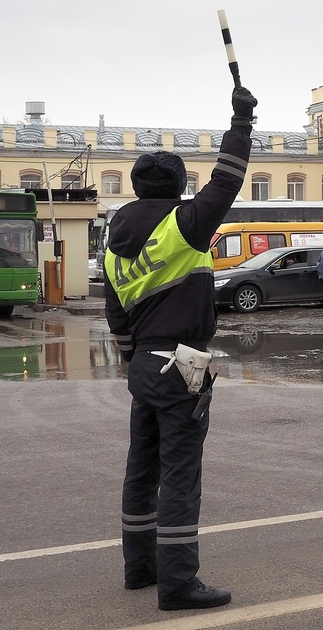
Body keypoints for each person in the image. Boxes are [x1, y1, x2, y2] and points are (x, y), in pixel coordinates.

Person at [103, 85, 256, 612]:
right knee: (180, 476)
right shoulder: (184, 224)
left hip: (143, 364)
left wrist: (131, 361)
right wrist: (242, 120)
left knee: (141, 470)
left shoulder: (113, 240)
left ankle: (139, 568)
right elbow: (228, 179)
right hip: (182, 361)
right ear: (176, 187)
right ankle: (178, 584)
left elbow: (116, 314)